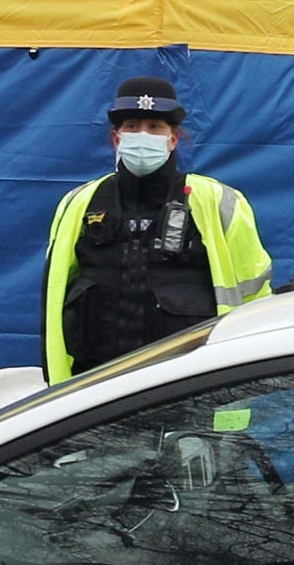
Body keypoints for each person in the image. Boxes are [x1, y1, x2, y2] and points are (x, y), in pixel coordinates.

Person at [42, 73, 273, 379]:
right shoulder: (80, 203)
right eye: (132, 127)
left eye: (154, 127)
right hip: (95, 388)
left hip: (186, 388)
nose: (143, 136)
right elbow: (54, 299)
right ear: (116, 139)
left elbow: (255, 300)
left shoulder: (219, 201)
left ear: (172, 138)